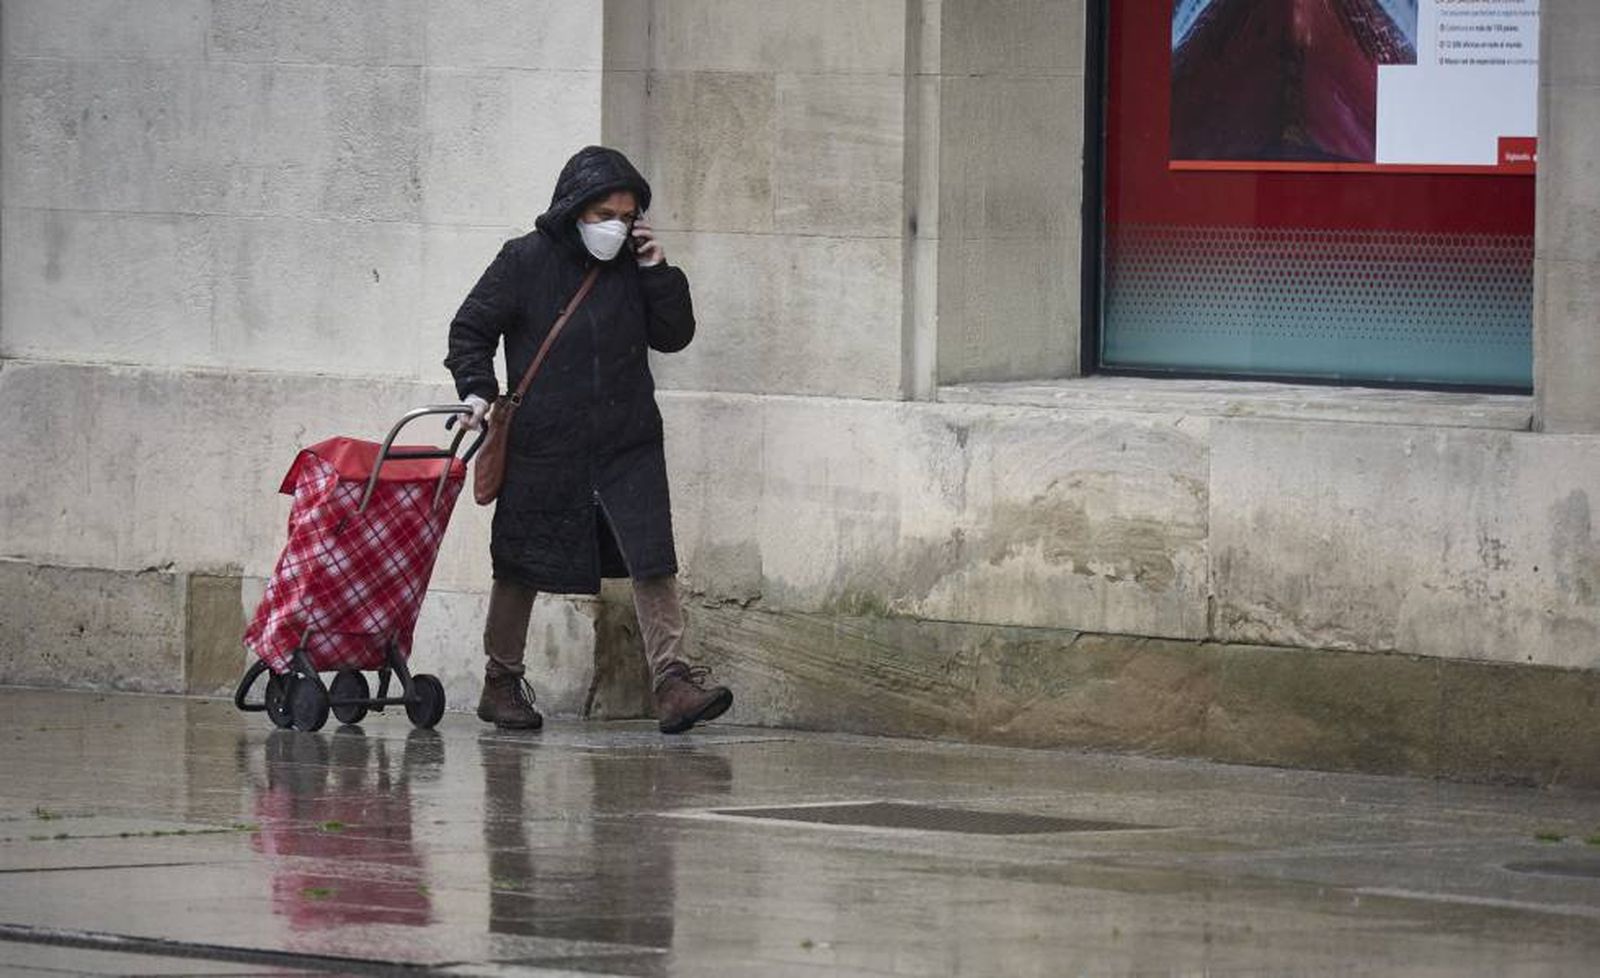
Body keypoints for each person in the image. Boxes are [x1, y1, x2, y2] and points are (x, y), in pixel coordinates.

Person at [444, 145, 732, 735]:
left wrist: (658, 271)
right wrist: (476, 390)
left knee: (652, 558)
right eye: (604, 214)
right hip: (545, 443)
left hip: (627, 440)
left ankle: (672, 681)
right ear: (574, 209)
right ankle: (501, 682)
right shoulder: (524, 260)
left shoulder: (634, 266)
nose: (616, 227)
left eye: (627, 216)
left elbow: (674, 336)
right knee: (521, 562)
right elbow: (470, 328)